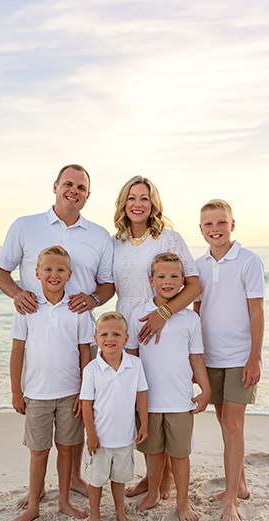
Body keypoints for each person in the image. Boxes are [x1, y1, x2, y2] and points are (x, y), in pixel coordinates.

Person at [0, 164, 114, 501]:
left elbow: (107, 286)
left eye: (81, 187)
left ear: (88, 196)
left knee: (72, 419)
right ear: (56, 186)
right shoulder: (25, 226)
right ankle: (42, 491)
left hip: (77, 329)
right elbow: (1, 271)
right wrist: (17, 294)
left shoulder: (99, 235)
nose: (73, 191)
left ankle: (72, 481)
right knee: (43, 428)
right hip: (39, 321)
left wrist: (91, 299)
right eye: (68, 184)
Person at [112, 175, 201, 499]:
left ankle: (164, 482)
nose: (138, 204)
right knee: (141, 404)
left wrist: (164, 314)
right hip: (130, 329)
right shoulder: (116, 241)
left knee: (165, 400)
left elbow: (193, 285)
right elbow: (110, 285)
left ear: (153, 204)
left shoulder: (168, 238)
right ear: (124, 203)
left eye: (144, 198)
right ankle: (152, 478)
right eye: (132, 198)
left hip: (163, 325)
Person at [6, 246, 94, 521]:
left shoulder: (77, 309)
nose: (53, 275)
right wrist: (16, 392)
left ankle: (64, 501)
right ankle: (33, 505)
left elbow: (85, 353)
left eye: (60, 270)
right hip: (36, 394)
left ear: (69, 275)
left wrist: (85, 392)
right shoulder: (27, 308)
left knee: (67, 448)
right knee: (38, 451)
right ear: (36, 273)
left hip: (70, 393)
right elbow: (17, 350)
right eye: (48, 269)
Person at [193, 199, 265, 521]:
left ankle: (231, 501)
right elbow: (195, 312)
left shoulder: (249, 261)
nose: (215, 229)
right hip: (210, 357)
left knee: (233, 426)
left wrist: (254, 357)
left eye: (221, 222)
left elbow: (256, 311)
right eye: (208, 224)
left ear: (232, 225)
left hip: (239, 358)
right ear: (201, 229)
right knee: (224, 421)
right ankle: (241, 485)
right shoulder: (199, 265)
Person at [126, 253, 211, 521]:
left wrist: (206, 391)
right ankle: (152, 492)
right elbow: (132, 356)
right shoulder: (138, 313)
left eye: (174, 276)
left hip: (179, 400)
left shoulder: (189, 319)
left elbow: (196, 357)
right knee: (152, 451)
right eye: (161, 276)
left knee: (179, 453)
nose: (168, 281)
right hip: (148, 400)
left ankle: (182, 501)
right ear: (151, 280)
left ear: (183, 281)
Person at [80, 312, 148, 521]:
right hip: (99, 439)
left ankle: (120, 513)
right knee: (96, 480)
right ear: (96, 339)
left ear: (126, 339)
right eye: (104, 334)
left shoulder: (135, 364)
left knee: (119, 479)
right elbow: (86, 404)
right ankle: (95, 516)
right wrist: (91, 434)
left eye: (116, 334)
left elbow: (141, 395)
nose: (110, 338)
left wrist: (144, 424)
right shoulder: (91, 369)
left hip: (124, 437)